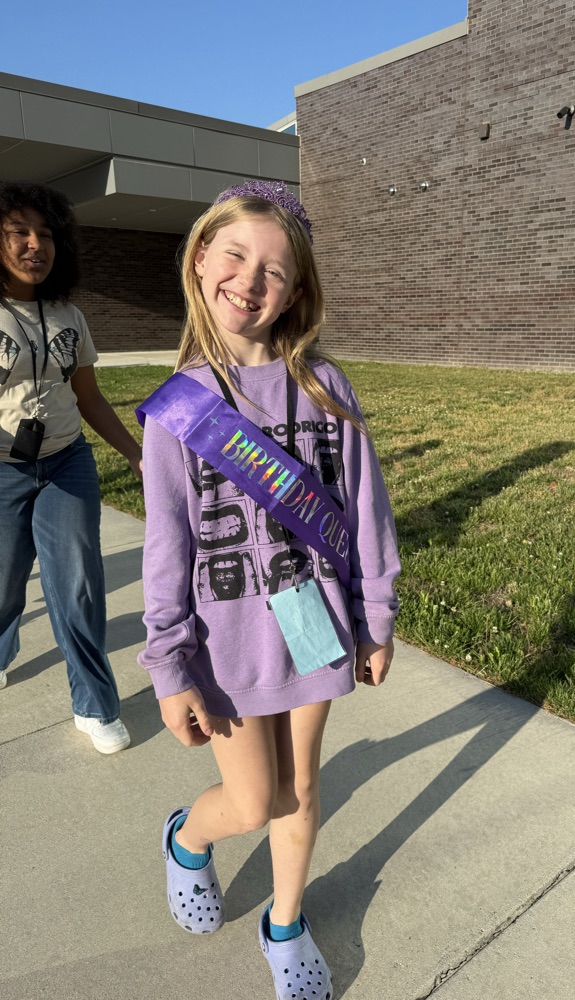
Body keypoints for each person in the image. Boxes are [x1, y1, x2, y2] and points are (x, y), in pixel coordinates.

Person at [137, 180, 400, 998]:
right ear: (200, 259)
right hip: (227, 640)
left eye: (276, 271)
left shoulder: (324, 386)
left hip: (314, 621)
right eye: (236, 255)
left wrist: (375, 614)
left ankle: (284, 924)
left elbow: (366, 509)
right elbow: (165, 547)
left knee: (304, 787)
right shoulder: (180, 410)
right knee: (253, 801)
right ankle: (188, 837)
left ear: (297, 292)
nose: (251, 280)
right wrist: (169, 664)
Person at [0, 181, 142, 753]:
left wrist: (134, 453)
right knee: (5, 583)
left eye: (47, 234)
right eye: (19, 232)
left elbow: (89, 397)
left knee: (79, 585)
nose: (36, 244)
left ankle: (94, 702)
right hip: (3, 469)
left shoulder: (69, 315)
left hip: (65, 461)